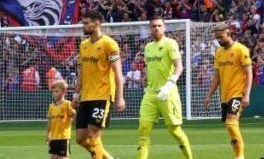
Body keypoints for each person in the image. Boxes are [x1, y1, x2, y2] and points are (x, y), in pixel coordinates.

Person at [138, 17, 193, 159]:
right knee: (143, 128)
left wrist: (169, 85)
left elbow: (179, 66)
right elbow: (149, 68)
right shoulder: (148, 47)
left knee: (174, 130)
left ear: (164, 27)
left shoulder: (170, 43)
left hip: (167, 93)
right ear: (150, 29)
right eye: (154, 26)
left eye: (159, 25)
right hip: (150, 93)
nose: (156, 28)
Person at [74, 10, 126, 159]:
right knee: (80, 138)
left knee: (93, 135)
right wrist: (76, 95)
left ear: (96, 24)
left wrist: (119, 97)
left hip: (102, 95)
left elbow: (117, 73)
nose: (83, 26)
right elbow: (81, 73)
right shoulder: (83, 45)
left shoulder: (109, 44)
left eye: (86, 23)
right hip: (86, 96)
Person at [204, 22, 254, 159]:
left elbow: (249, 73)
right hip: (224, 96)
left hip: (237, 94)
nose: (219, 40)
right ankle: (237, 152)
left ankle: (240, 156)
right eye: (217, 37)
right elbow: (217, 76)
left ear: (229, 34)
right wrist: (209, 95)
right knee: (231, 127)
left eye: (221, 37)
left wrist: (247, 94)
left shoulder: (241, 50)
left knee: (231, 123)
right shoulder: (218, 52)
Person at [46, 80, 75, 159]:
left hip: (63, 137)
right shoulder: (51, 106)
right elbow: (50, 122)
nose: (54, 93)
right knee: (53, 157)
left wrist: (75, 113)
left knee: (63, 157)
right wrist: (48, 134)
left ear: (64, 92)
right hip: (53, 137)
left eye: (56, 91)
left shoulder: (67, 104)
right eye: (53, 91)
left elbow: (74, 116)